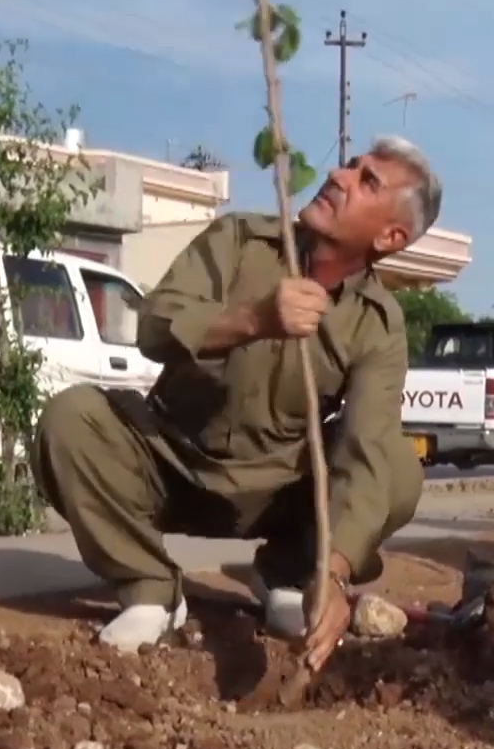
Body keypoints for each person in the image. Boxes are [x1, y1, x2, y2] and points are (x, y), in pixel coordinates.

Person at [35, 136, 439, 667]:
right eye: (348, 165)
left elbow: (365, 448)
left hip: (277, 490)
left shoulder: (378, 324)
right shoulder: (239, 240)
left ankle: (289, 579)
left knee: (395, 469)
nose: (339, 177)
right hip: (172, 461)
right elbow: (153, 327)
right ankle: (151, 590)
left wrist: (334, 573)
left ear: (391, 236)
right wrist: (254, 320)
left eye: (367, 182)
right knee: (71, 420)